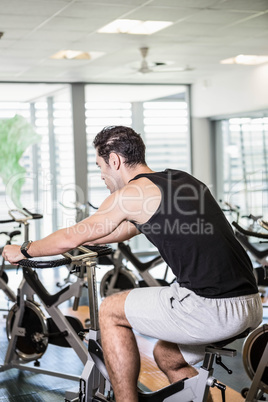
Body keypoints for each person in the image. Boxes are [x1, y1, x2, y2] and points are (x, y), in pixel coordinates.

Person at [3, 125, 263, 402]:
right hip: (248, 304)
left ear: (114, 160)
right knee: (168, 355)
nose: (101, 175)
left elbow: (70, 235)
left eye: (100, 166)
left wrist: (23, 249)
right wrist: (88, 240)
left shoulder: (133, 193)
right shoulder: (182, 180)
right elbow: (125, 229)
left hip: (209, 307)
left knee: (111, 309)